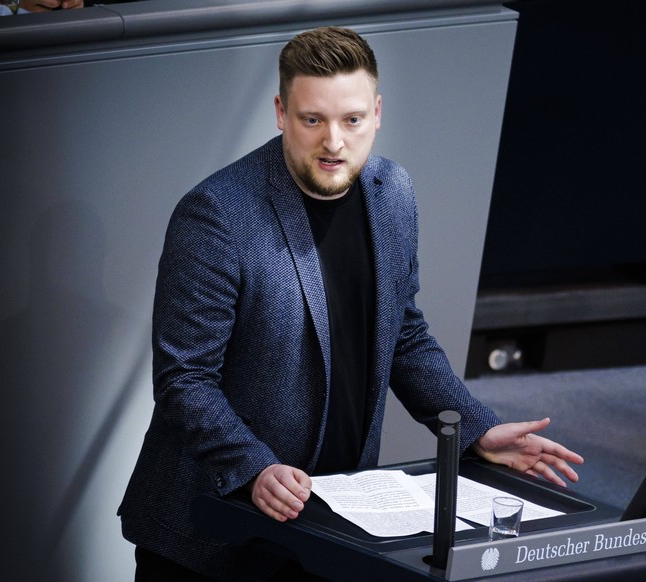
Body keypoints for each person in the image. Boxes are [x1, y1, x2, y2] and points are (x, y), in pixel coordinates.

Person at [118, 25, 584, 582]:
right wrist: (253, 467)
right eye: (313, 119)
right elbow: (185, 379)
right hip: (211, 530)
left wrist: (476, 429)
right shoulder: (216, 216)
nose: (334, 142)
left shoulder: (393, 195)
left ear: (378, 113)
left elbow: (403, 334)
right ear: (280, 113)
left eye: (352, 120)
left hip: (331, 519)